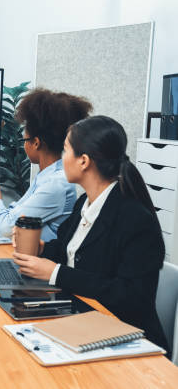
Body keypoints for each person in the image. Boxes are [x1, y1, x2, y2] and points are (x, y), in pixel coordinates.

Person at [12, 115, 170, 353]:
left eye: (65, 151)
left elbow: (129, 296)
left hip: (124, 339)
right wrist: (43, 249)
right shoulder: (85, 202)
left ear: (83, 161)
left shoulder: (135, 220)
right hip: (83, 321)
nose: (61, 159)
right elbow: (69, 249)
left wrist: (55, 273)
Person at [0, 88, 92, 241]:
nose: (24, 146)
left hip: (40, 260)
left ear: (35, 143)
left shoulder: (56, 184)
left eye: (24, 141)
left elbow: (7, 227)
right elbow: (15, 213)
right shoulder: (47, 175)